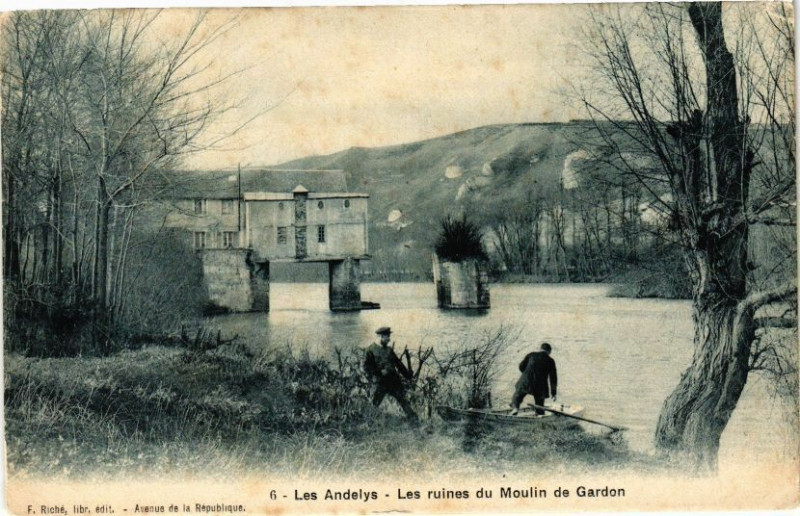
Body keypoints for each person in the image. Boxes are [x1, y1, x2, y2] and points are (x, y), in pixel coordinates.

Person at [364, 326, 418, 422]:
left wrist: (408, 375)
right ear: (380, 336)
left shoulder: (389, 350)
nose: (389, 339)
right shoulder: (370, 350)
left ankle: (414, 422)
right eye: (387, 336)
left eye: (389, 336)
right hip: (380, 383)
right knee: (374, 403)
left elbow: (398, 364)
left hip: (393, 382)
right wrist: (378, 373)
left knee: (403, 402)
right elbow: (367, 367)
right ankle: (368, 423)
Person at [509, 342, 557, 416]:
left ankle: (515, 408)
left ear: (540, 349)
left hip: (526, 380)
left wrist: (526, 374)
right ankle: (540, 416)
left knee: (517, 396)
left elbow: (521, 366)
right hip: (540, 385)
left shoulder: (531, 355)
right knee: (540, 403)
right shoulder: (550, 361)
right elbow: (553, 378)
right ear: (549, 351)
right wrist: (553, 393)